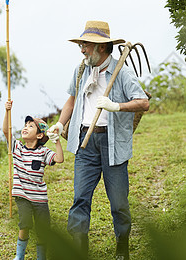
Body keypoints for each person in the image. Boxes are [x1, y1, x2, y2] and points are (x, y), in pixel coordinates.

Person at [47, 21, 149, 260]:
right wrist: (61, 124)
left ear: (101, 48)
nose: (82, 49)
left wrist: (116, 106)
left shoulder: (121, 71)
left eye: (86, 45)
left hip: (112, 144)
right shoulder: (81, 70)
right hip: (85, 141)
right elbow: (71, 102)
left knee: (118, 203)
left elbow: (143, 102)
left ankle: (122, 248)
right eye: (81, 44)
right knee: (80, 198)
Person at [3, 100, 64, 260]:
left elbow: (59, 159)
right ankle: (19, 256)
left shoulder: (43, 151)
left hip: (40, 198)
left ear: (39, 135)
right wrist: (7, 112)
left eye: (31, 126)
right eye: (25, 125)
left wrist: (56, 141)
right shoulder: (17, 148)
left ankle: (41, 257)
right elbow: (6, 132)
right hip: (22, 195)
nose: (25, 127)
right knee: (25, 224)